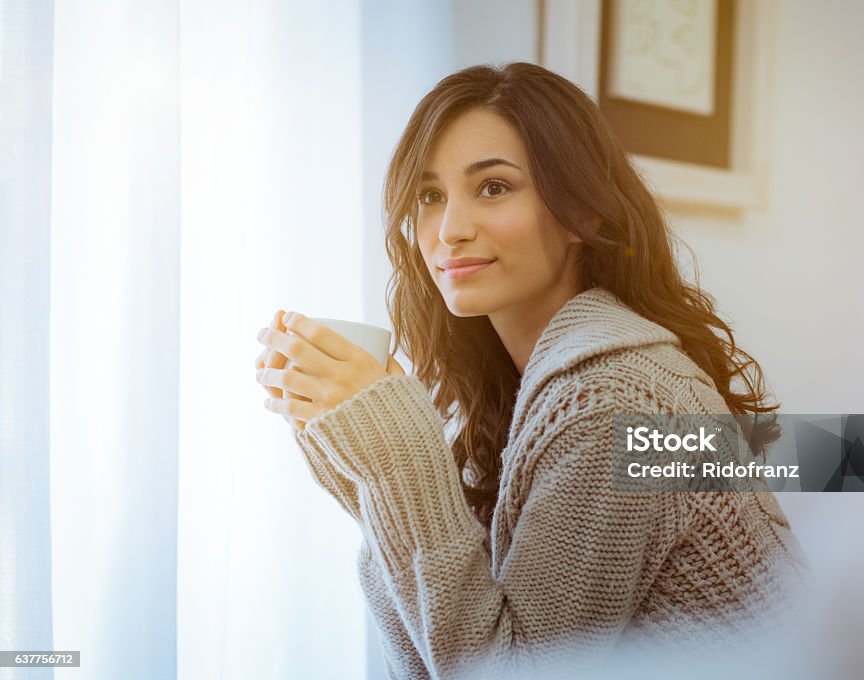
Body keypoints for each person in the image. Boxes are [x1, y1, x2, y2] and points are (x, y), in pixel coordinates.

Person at [254, 62, 808, 679]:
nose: (449, 230)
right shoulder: (510, 398)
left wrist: (398, 461)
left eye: (493, 187)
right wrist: (365, 467)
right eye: (430, 196)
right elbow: (430, 656)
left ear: (583, 214)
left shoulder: (614, 399)